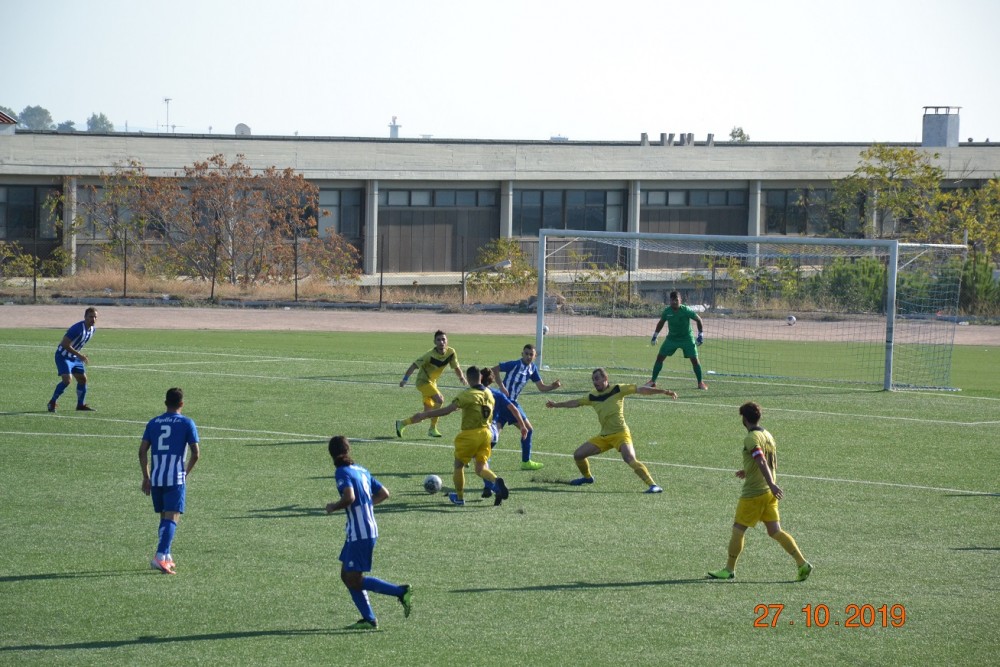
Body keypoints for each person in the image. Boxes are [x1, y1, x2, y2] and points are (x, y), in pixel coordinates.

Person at [707, 401, 812, 582]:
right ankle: (802, 563)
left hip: (754, 493)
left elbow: (762, 461)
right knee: (775, 531)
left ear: (744, 419)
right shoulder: (767, 435)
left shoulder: (751, 437)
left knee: (738, 529)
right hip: (768, 494)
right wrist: (749, 471)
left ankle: (729, 570)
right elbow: (769, 461)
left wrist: (770, 483)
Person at [325, 435, 413, 631]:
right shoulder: (361, 470)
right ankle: (368, 619)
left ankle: (400, 592)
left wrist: (333, 506)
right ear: (348, 450)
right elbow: (384, 493)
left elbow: (349, 497)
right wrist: (365, 506)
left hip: (361, 533)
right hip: (360, 530)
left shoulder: (342, 472)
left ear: (331, 454)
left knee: (354, 579)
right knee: (346, 576)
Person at [546, 368, 677, 493]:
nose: (595, 382)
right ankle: (587, 478)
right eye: (593, 380)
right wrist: (556, 405)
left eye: (597, 378)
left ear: (605, 378)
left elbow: (641, 389)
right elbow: (576, 402)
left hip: (621, 434)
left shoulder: (618, 389)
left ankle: (653, 485)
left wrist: (664, 391)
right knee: (578, 455)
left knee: (629, 458)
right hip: (604, 437)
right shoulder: (592, 396)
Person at [407, 366, 509, 507]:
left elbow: (447, 410)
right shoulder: (489, 394)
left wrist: (424, 414)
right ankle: (496, 481)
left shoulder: (467, 394)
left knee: (458, 465)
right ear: (480, 378)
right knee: (480, 468)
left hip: (470, 434)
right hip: (486, 433)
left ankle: (459, 498)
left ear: (468, 379)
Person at [139, 387, 200, 575]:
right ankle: (159, 556)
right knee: (172, 517)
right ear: (182, 403)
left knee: (164, 517)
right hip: (175, 477)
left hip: (156, 477)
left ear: (165, 403)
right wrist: (185, 473)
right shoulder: (187, 423)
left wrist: (146, 477)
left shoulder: (153, 422)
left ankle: (166, 555)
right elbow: (196, 454)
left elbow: (142, 451)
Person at [491, 344, 562, 471]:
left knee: (495, 434)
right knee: (525, 430)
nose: (528, 356)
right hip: (505, 402)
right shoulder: (514, 364)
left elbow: (541, 387)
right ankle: (525, 462)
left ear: (535, 356)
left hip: (509, 403)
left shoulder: (532, 369)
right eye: (526, 354)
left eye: (531, 354)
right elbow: (494, 369)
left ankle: (474, 456)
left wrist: (553, 386)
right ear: (522, 354)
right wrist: (501, 386)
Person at [396, 330, 468, 438]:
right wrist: (405, 379)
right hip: (423, 382)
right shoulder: (429, 355)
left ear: (447, 341)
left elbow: (456, 367)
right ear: (434, 342)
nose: (441, 342)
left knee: (426, 414)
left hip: (432, 383)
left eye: (443, 339)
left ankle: (402, 423)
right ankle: (432, 428)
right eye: (438, 340)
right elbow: (414, 365)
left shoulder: (451, 352)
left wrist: (461, 377)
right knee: (440, 399)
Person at [480, 367, 530, 498]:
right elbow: (514, 409)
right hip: (494, 432)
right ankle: (488, 487)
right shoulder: (498, 394)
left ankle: (494, 486)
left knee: (478, 463)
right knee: (484, 459)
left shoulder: (475, 393)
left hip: (480, 432)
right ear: (491, 381)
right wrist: (523, 426)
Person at [646, 291, 707, 391]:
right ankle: (653, 381)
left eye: (676, 300)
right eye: (672, 300)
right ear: (669, 301)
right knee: (660, 358)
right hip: (672, 339)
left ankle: (700, 383)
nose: (674, 302)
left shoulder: (686, 310)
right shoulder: (667, 311)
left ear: (680, 300)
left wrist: (700, 335)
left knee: (694, 360)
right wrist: (655, 335)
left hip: (687, 338)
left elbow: (699, 319)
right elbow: (661, 322)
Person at [48, 306, 98, 412]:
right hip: (63, 356)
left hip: (74, 358)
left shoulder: (93, 329)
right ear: (85, 317)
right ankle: (52, 402)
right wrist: (79, 355)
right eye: (90, 317)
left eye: (95, 317)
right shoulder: (77, 328)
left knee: (82, 379)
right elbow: (64, 344)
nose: (93, 319)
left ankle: (80, 405)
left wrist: (78, 355)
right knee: (67, 380)